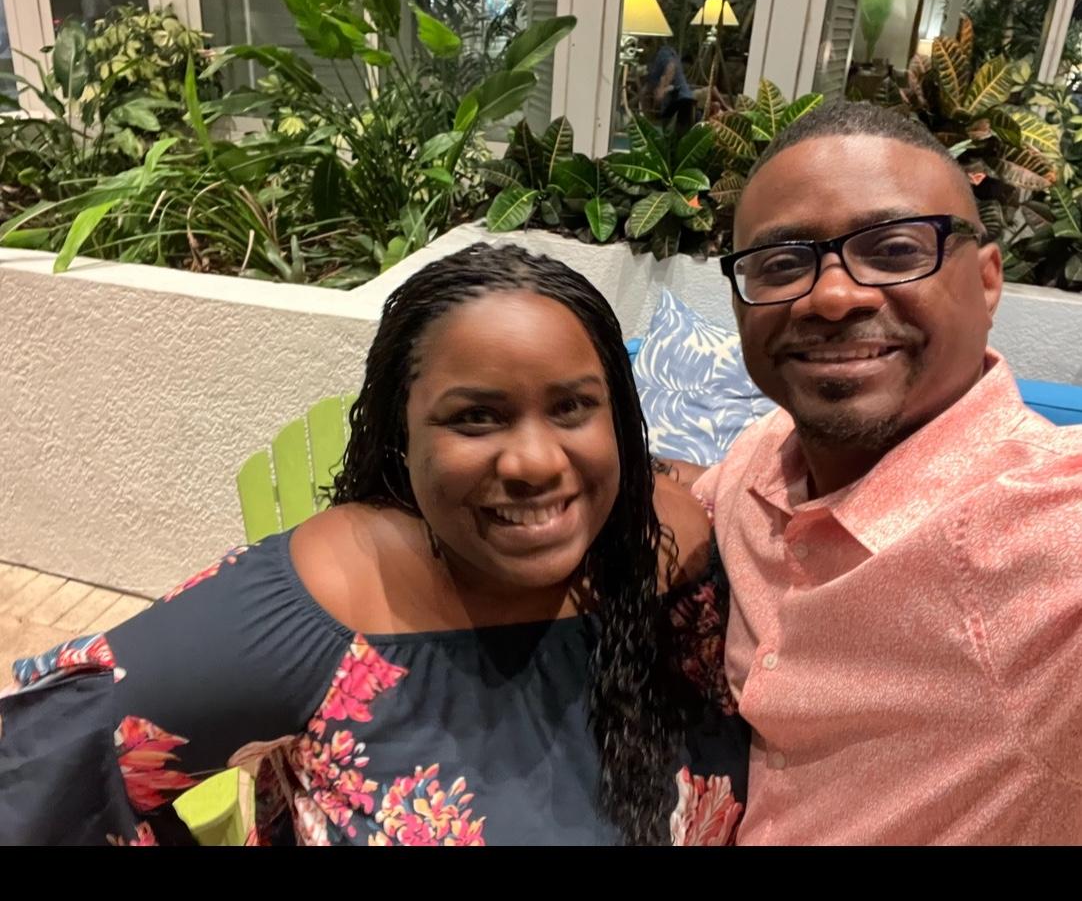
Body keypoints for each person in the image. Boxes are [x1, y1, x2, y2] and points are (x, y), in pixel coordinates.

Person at [0, 243, 748, 847]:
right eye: (476, 417)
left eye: (572, 407)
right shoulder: (326, 605)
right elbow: (40, 765)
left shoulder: (683, 549)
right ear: (402, 436)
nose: (535, 461)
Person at [690, 99, 1082, 844]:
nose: (833, 297)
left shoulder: (1050, 535)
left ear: (988, 281)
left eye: (896, 250)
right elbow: (687, 499)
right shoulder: (763, 457)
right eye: (782, 264)